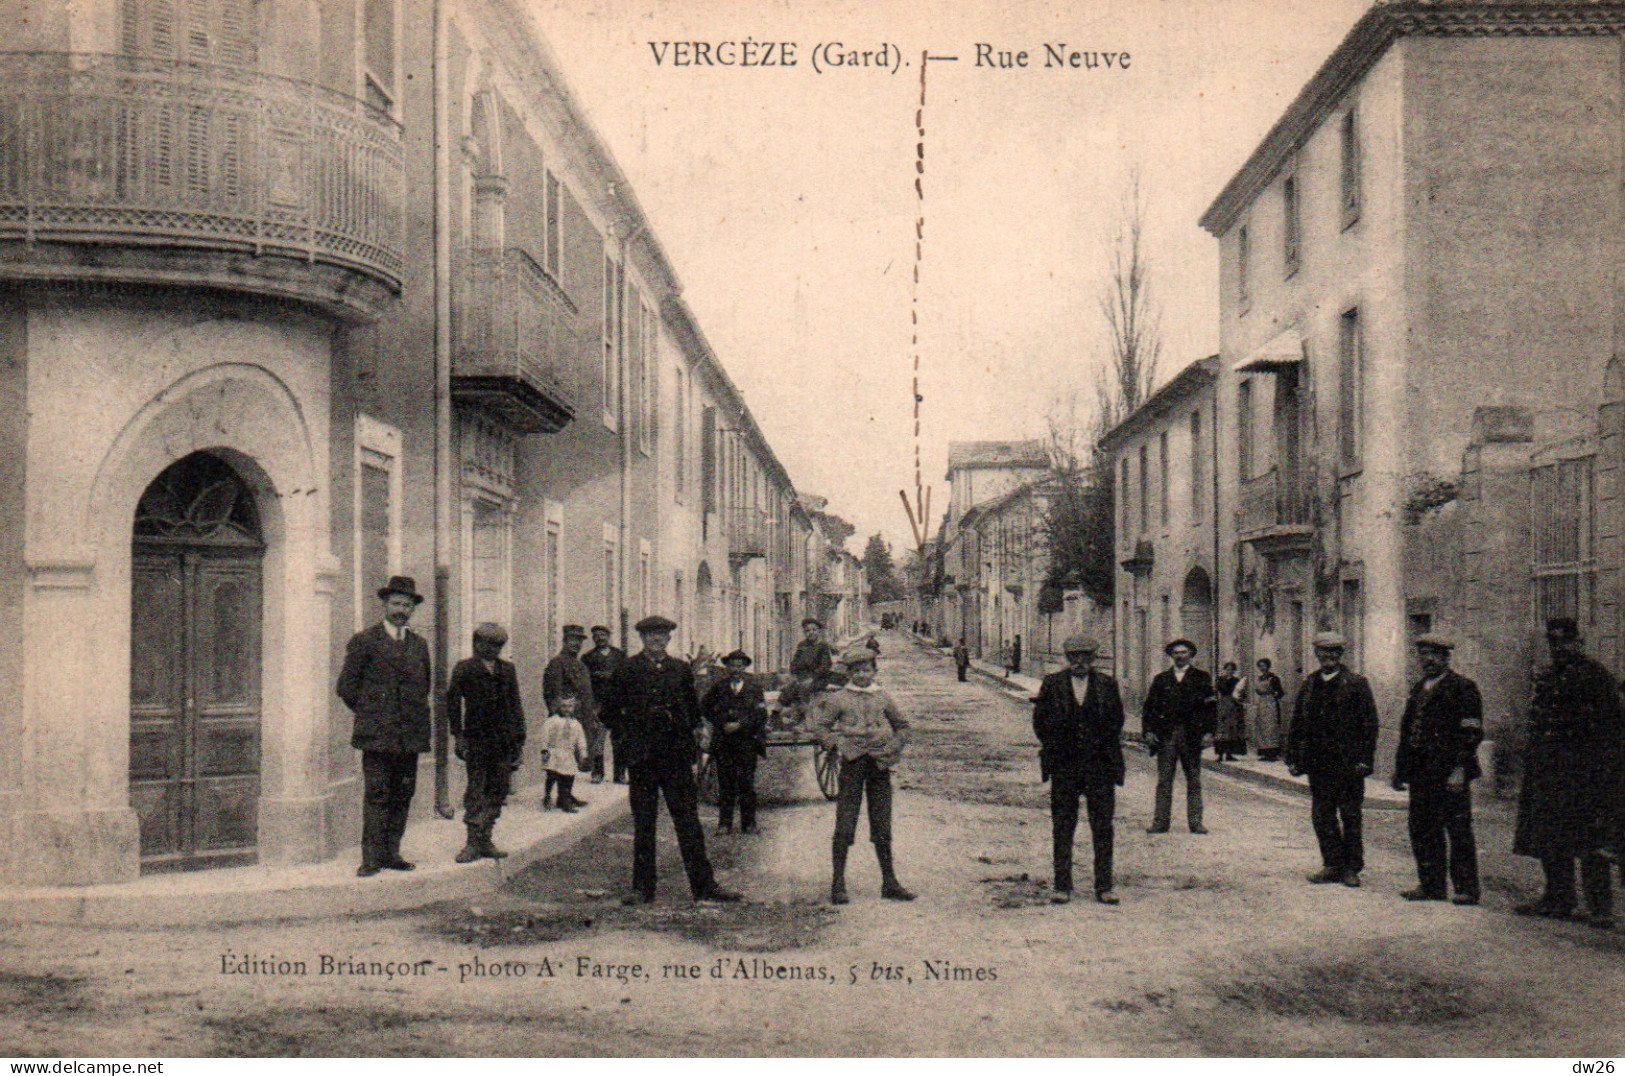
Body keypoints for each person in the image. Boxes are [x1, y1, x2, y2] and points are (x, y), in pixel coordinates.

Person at [599, 614, 741, 905]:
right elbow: (609, 713)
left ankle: (704, 886)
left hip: (675, 757)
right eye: (651, 636)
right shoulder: (627, 670)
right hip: (642, 758)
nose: (657, 640)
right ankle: (642, 889)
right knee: (644, 823)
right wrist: (630, 735)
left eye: (662, 636)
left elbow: (691, 710)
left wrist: (694, 733)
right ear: (642, 639)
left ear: (669, 639)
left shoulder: (680, 670)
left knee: (688, 821)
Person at [1512, 618, 1623, 926]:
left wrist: (1604, 775)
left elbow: (1612, 732)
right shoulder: (1548, 678)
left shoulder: (1597, 678)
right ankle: (1558, 898)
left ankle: (1600, 909)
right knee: (1550, 837)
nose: (1558, 647)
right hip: (1549, 774)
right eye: (1553, 642)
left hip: (1585, 775)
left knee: (1590, 842)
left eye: (1564, 641)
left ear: (1578, 642)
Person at [337, 575, 433, 878]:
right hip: (377, 735)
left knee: (403, 794)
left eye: (407, 605)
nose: (401, 609)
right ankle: (371, 858)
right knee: (377, 793)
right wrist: (373, 713)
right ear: (385, 604)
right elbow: (346, 688)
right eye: (396, 603)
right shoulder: (365, 641)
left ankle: (392, 853)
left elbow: (424, 686)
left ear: (412, 609)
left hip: (410, 736)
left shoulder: (419, 645)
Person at [811, 647, 914, 904]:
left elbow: (902, 726)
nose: (861, 675)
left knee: (882, 822)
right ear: (849, 673)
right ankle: (838, 884)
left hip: (879, 764)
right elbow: (821, 726)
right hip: (852, 765)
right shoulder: (839, 699)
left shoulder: (882, 697)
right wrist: (835, 744)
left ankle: (889, 882)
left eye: (866, 670)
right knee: (845, 822)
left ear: (874, 672)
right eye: (856, 671)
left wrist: (893, 747)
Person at [1032, 637, 1125, 905]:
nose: (1079, 662)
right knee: (1062, 826)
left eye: (1085, 657)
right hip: (1065, 767)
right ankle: (1062, 886)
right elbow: (1039, 722)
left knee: (1103, 828)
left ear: (1094, 658)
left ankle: (1104, 887)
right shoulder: (1052, 683)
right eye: (1074, 657)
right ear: (1066, 657)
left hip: (1100, 768)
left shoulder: (1108, 685)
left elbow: (1116, 721)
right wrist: (1057, 747)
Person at [1391, 634, 1482, 904]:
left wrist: (1460, 769)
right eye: (1423, 654)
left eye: (1434, 655)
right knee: (1422, 828)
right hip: (1421, 773)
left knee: (1458, 830)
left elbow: (1471, 733)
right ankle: (1431, 885)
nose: (1428, 660)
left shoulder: (1463, 688)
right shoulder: (1419, 688)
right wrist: (1400, 769)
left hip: (1449, 773)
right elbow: (1408, 732)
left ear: (1446, 658)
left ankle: (1466, 889)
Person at [1285, 631, 1379, 888]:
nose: (1329, 657)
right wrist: (1292, 757)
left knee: (1350, 815)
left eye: (1335, 652)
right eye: (1324, 652)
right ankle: (1332, 864)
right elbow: (1298, 722)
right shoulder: (1310, 683)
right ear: (1317, 654)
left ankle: (1351, 868)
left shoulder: (1356, 683)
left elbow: (1369, 725)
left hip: (1348, 764)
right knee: (1322, 815)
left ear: (1341, 655)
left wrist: (1364, 759)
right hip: (1318, 763)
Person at [445, 622, 526, 863]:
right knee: (476, 789)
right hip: (476, 740)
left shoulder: (507, 670)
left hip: (503, 741)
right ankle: (472, 842)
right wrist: (458, 736)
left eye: (497, 645)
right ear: (475, 643)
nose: (491, 649)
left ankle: (485, 837)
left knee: (498, 789)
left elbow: (516, 705)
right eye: (485, 643)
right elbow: (452, 704)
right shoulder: (464, 668)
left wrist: (519, 742)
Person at [1141, 638, 1214, 834]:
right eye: (1176, 653)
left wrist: (1208, 732)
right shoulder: (1161, 679)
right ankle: (1160, 822)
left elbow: (1210, 708)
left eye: (1184, 652)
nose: (1180, 656)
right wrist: (1148, 731)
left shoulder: (1202, 678)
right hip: (1167, 735)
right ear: (1171, 656)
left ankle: (1196, 822)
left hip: (1191, 735)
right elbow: (1149, 708)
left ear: (1191, 654)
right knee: (1164, 780)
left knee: (1194, 779)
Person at [702, 649, 768, 834]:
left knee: (746, 782)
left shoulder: (754, 687)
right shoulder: (719, 687)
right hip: (724, 742)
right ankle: (724, 824)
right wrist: (721, 722)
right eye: (732, 665)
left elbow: (761, 714)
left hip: (747, 742)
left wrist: (740, 724)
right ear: (727, 667)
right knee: (725, 782)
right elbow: (705, 707)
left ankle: (749, 823)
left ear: (745, 667)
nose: (736, 669)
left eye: (740, 666)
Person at [544, 625, 598, 791]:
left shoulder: (580, 665)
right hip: (566, 720)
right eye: (572, 640)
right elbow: (553, 693)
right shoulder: (557, 663)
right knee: (561, 758)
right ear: (565, 641)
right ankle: (560, 796)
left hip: (582, 718)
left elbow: (587, 693)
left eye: (579, 641)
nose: (576, 644)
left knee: (574, 759)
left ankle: (567, 794)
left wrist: (592, 716)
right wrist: (561, 719)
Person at [581, 625, 626, 783]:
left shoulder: (620, 656)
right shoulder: (587, 657)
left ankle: (619, 774)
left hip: (617, 705)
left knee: (619, 741)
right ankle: (598, 773)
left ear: (609, 636)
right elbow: (585, 682)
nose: (600, 638)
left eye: (603, 634)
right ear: (593, 639)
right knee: (597, 741)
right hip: (598, 705)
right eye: (596, 635)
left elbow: (627, 680)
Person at [540, 694, 590, 813]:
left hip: (568, 754)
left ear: (574, 708)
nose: (567, 709)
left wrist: (583, 754)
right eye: (563, 706)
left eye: (570, 706)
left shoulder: (576, 724)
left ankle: (565, 799)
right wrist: (544, 749)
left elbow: (580, 740)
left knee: (568, 776)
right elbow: (544, 735)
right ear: (558, 707)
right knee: (552, 776)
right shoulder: (552, 721)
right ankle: (547, 796)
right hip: (554, 752)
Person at [1251, 658, 1286, 761]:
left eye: (1264, 665)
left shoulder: (1274, 678)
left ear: (1268, 666)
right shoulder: (1259, 678)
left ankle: (1272, 754)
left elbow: (1280, 692)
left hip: (1271, 704)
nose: (1262, 668)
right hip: (1262, 704)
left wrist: (1275, 694)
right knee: (1262, 727)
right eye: (1260, 666)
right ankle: (1265, 752)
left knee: (1271, 728)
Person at [1214, 662, 1247, 762]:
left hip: (1233, 706)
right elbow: (1219, 689)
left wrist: (1240, 698)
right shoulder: (1220, 680)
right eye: (1227, 669)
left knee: (1232, 730)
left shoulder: (1236, 680)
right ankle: (1220, 754)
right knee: (1221, 729)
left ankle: (1229, 754)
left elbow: (1242, 693)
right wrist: (1221, 679)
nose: (1229, 671)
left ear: (1234, 671)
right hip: (1223, 705)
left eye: (1231, 669)